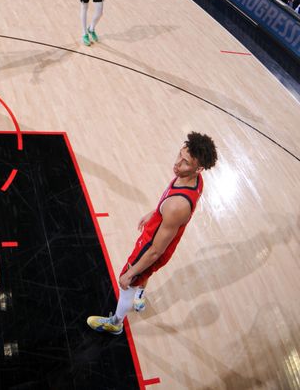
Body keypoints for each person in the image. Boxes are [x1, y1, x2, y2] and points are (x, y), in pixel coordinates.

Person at [87, 132, 218, 335]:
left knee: (126, 282)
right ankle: (139, 294)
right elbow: (168, 205)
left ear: (199, 168)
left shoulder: (177, 206)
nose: (177, 164)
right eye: (179, 156)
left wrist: (130, 273)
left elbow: (155, 252)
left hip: (153, 246)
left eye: (185, 163)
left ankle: (116, 323)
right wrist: (155, 212)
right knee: (142, 274)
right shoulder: (193, 179)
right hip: (161, 234)